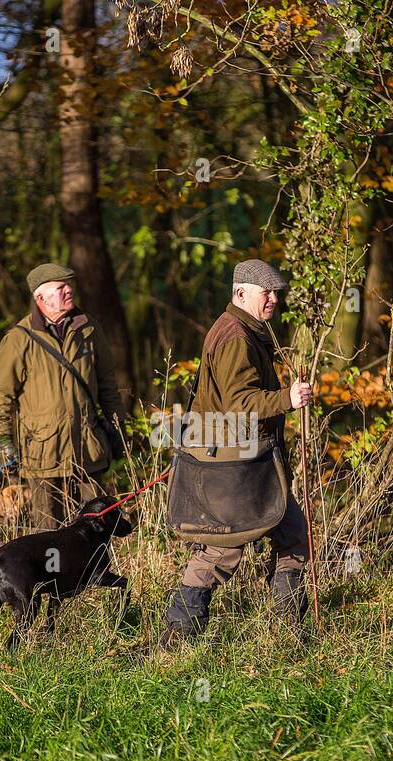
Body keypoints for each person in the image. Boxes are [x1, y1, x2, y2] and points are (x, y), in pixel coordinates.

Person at [156, 258, 314, 648]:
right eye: (267, 292)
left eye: (277, 292)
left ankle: (286, 634)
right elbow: (238, 404)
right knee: (221, 551)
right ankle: (178, 639)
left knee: (293, 535)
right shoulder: (235, 337)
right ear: (240, 293)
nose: (274, 298)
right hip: (232, 463)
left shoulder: (246, 330)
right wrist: (287, 399)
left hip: (249, 460)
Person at [0, 262, 130, 530]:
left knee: (97, 526)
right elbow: (1, 395)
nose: (69, 291)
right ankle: (51, 575)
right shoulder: (19, 339)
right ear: (40, 298)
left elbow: (108, 387)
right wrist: (4, 439)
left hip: (88, 448)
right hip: (43, 453)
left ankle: (94, 573)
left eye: (69, 285)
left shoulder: (89, 329)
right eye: (60, 287)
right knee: (48, 530)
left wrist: (118, 430)